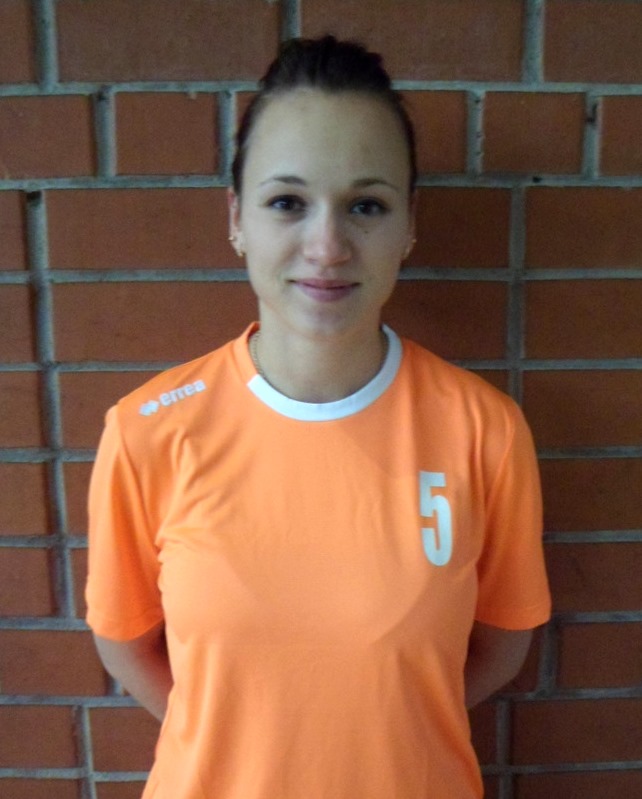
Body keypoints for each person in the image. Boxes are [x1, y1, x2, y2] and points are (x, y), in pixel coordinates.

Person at [86, 35, 551, 799]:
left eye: (366, 205)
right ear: (237, 218)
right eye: (287, 202)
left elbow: (502, 643)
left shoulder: (484, 431)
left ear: (408, 224)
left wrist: (390, 726)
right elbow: (124, 642)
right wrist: (237, 738)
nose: (327, 246)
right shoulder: (147, 431)